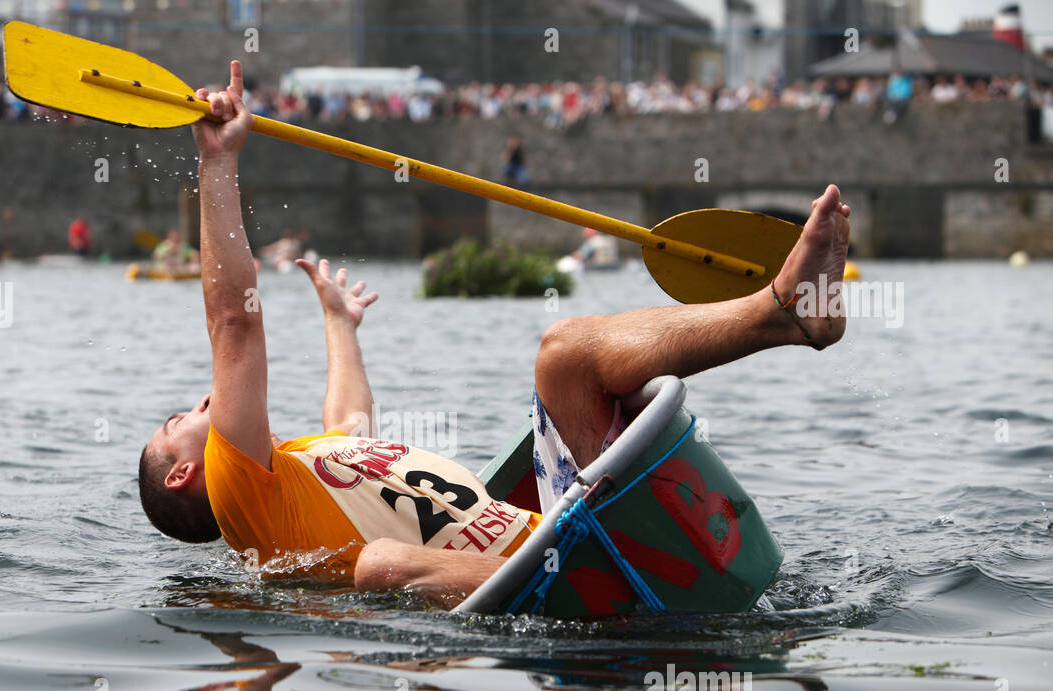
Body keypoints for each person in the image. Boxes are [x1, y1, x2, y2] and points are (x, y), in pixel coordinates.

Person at [139, 61, 850, 609]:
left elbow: (350, 425)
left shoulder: (296, 471)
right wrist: (218, 163)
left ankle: (781, 314)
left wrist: (339, 326)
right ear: (184, 473)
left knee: (564, 352)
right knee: (379, 566)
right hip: (558, 581)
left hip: (566, 526)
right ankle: (775, 313)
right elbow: (234, 322)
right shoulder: (243, 501)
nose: (198, 404)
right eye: (179, 422)